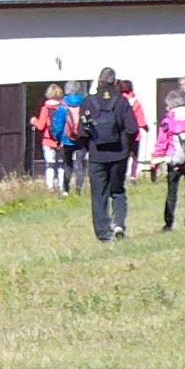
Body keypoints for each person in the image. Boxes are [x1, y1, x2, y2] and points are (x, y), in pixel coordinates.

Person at [75, 66, 139, 241]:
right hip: (119, 154)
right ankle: (118, 224)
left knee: (99, 194)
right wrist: (130, 148)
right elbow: (133, 128)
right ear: (115, 82)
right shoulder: (122, 102)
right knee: (117, 190)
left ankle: (103, 233)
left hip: (97, 155)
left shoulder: (88, 102)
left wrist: (88, 148)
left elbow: (81, 133)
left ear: (99, 81)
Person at [155, 89, 185, 230]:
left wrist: (156, 162)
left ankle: (169, 222)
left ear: (171, 106)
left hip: (174, 160)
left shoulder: (167, 121)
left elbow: (161, 143)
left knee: (171, 193)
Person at [33, 86, 67, 192]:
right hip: (61, 140)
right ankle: (62, 187)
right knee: (61, 164)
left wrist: (33, 121)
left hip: (48, 140)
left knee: (50, 164)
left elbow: (41, 126)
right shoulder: (64, 107)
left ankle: (50, 187)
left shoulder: (45, 108)